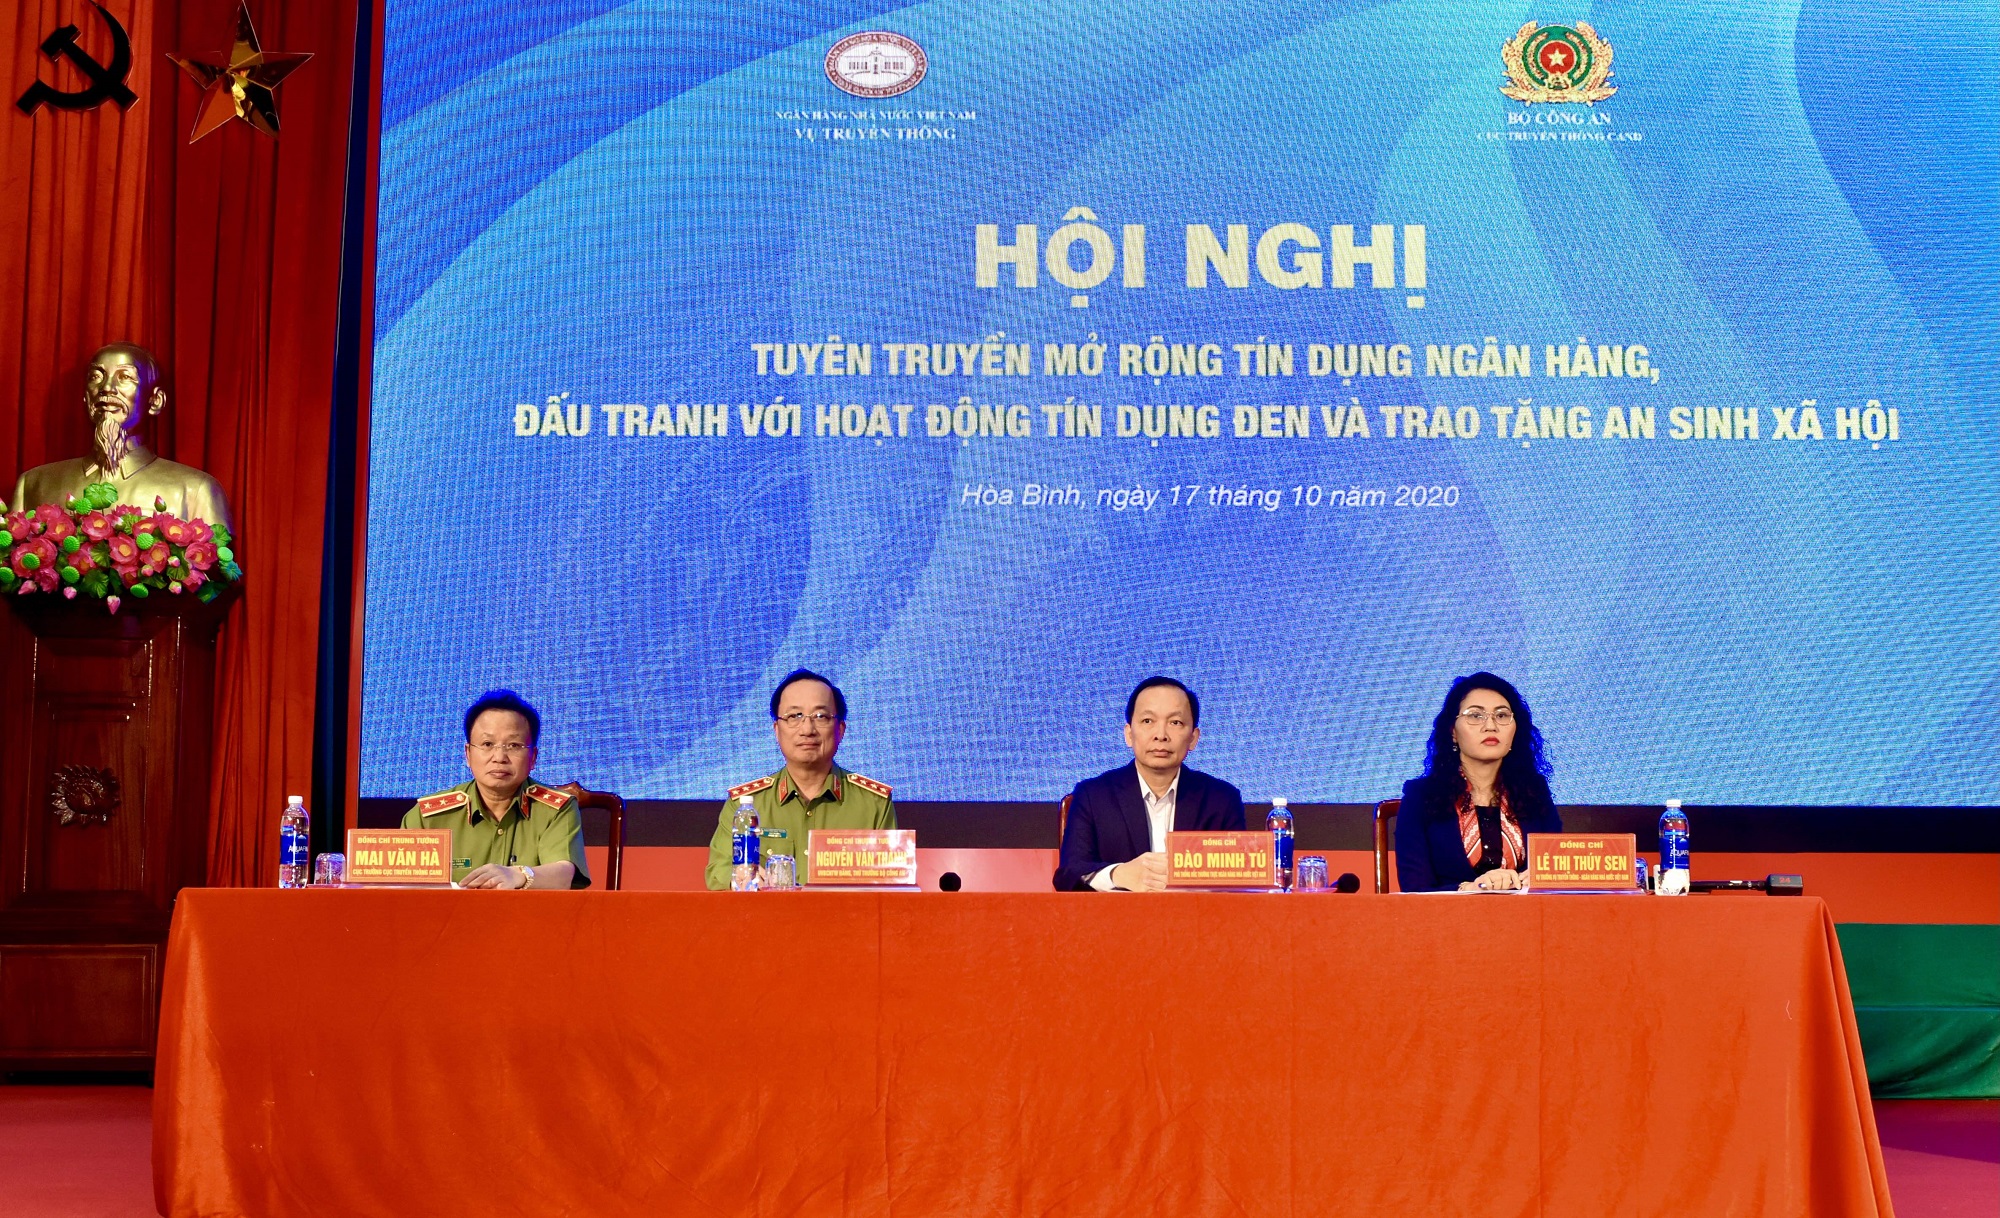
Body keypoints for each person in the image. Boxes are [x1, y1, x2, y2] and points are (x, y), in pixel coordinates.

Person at [8, 344, 234, 532]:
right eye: (96, 377)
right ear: (86, 398)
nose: (107, 388)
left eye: (125, 377)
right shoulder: (33, 484)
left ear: (155, 401)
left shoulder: (196, 491)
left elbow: (217, 569)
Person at [705, 669, 896, 890]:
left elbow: (890, 886)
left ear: (841, 729)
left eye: (821, 716)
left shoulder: (874, 804)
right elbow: (718, 872)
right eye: (794, 716)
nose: (807, 729)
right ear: (777, 730)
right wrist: (740, 877)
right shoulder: (745, 805)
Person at [1054, 676, 1246, 891]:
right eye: (1148, 721)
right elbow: (1069, 875)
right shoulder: (1093, 796)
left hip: (1195, 913)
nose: (1160, 735)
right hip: (1118, 912)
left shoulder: (1222, 800)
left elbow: (1239, 883)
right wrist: (1118, 874)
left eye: (1175, 722)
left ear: (1193, 738)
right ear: (1129, 734)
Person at [403, 690, 591, 889]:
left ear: (533, 757)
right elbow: (404, 890)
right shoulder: (428, 817)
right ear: (468, 754)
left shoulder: (556, 809)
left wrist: (519, 875)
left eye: (514, 745)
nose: (499, 757)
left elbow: (563, 875)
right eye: (487, 744)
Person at [1394, 672, 1560, 892]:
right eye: (1475, 715)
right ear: (1453, 732)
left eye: (1502, 715)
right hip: (1449, 913)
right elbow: (1414, 888)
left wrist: (1542, 878)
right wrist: (1471, 888)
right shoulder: (1421, 796)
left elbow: (1555, 868)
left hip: (1524, 912)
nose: (1490, 725)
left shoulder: (1534, 791)